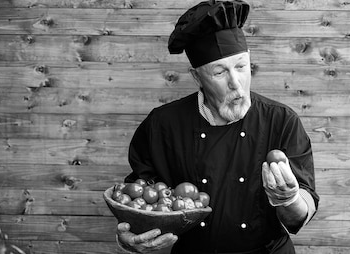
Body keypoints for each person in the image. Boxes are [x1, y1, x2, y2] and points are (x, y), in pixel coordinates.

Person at [114, 0, 319, 253]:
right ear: (196, 77)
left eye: (242, 67)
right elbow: (141, 198)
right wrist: (130, 237)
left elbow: (300, 216)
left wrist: (288, 199)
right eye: (220, 73)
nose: (236, 83)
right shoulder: (163, 125)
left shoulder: (282, 120)